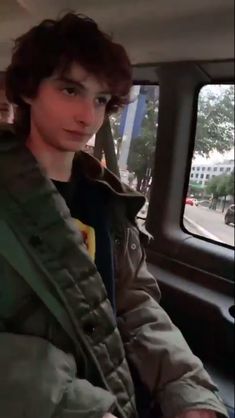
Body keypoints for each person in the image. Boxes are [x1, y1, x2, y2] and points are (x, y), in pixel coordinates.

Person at [0, 13, 228, 418]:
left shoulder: (107, 202)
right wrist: (77, 406)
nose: (88, 116)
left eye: (101, 99)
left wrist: (188, 391)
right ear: (29, 90)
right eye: (70, 90)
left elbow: (134, 304)